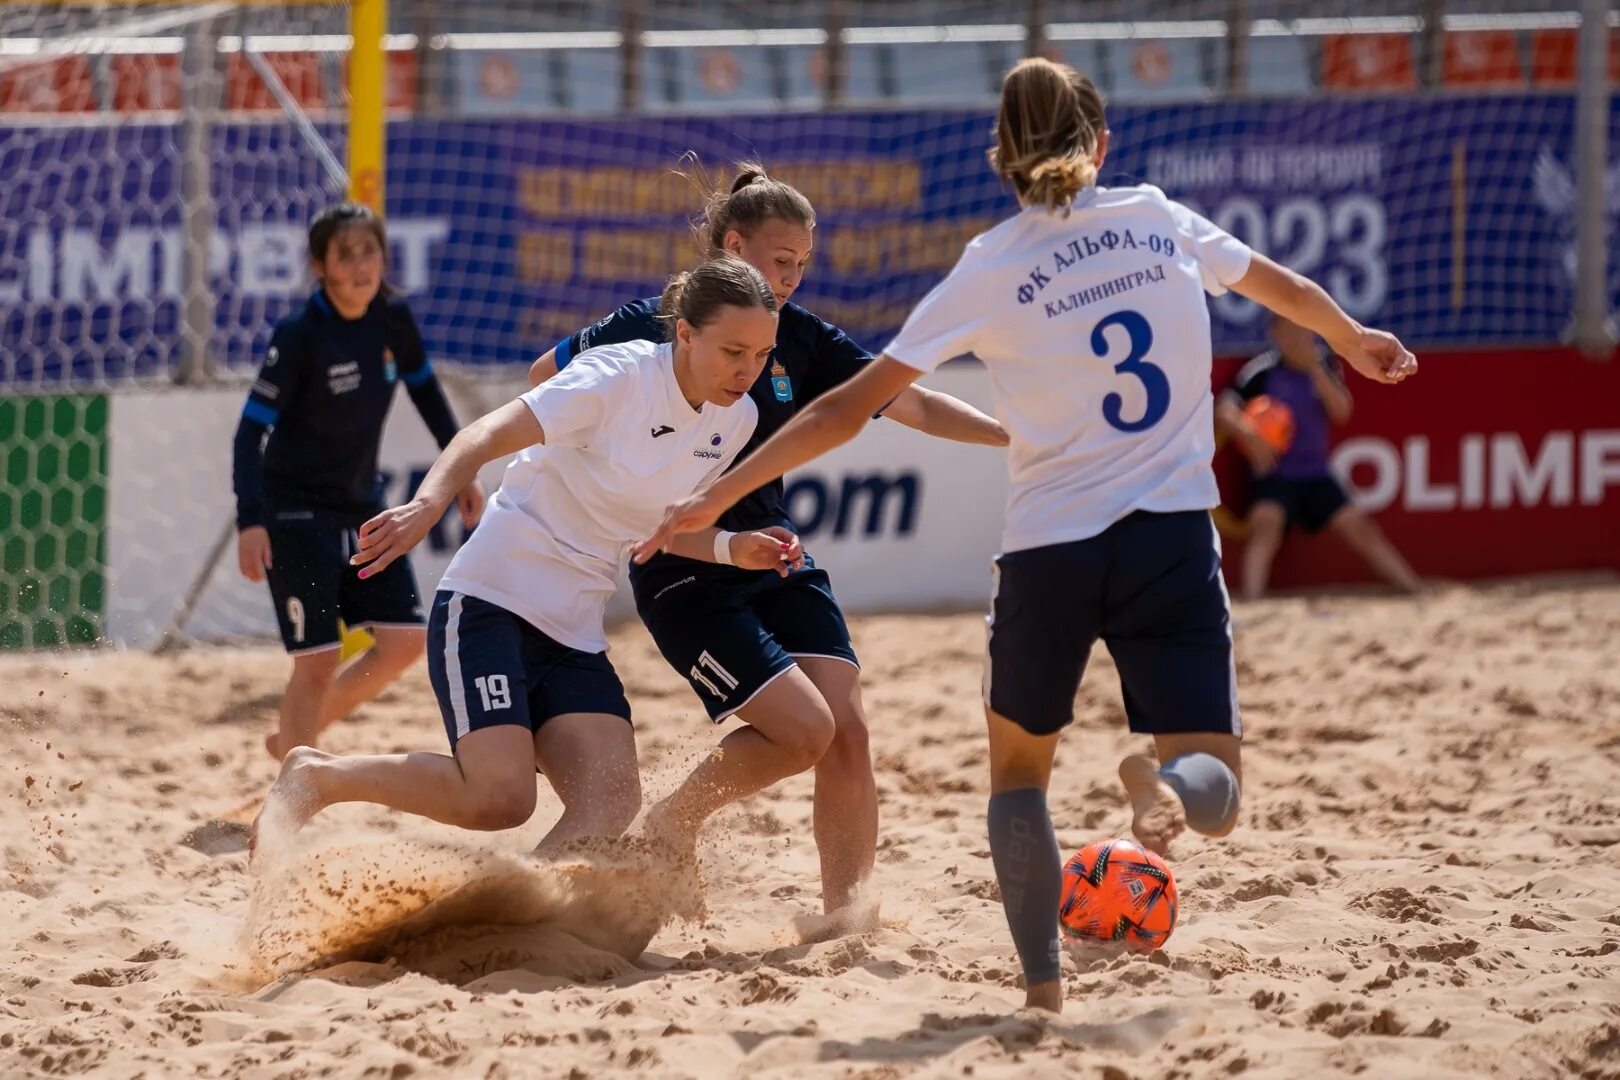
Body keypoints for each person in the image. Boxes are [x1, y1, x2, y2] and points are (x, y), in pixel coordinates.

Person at [634, 58, 1417, 1012]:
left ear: (1001, 155)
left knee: (1014, 785)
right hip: (1170, 539)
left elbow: (850, 410)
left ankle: (1040, 996)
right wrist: (1350, 336)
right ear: (1103, 146)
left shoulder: (993, 264)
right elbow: (1280, 286)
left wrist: (721, 495)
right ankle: (1155, 781)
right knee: (1215, 796)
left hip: (1051, 552)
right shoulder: (1161, 218)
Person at [528, 164, 1008, 928]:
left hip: (775, 557)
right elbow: (544, 376)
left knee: (847, 728)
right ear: (734, 244)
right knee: (802, 731)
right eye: (780, 261)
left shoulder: (805, 337)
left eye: (802, 265)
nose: (790, 278)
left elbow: (911, 401)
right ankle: (672, 820)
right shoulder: (657, 322)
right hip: (688, 569)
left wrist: (1018, 434)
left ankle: (842, 919)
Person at [253, 257, 804, 860]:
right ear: (686, 332)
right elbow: (485, 433)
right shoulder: (615, 378)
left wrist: (730, 547)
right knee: (500, 800)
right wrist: (428, 504)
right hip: (493, 603)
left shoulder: (739, 417)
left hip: (574, 633)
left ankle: (520, 921)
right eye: (733, 352)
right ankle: (318, 776)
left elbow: (650, 524)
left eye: (760, 354)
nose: (747, 371)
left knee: (610, 805)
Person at [232, 203, 486, 763]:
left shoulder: (392, 317)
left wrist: (462, 470)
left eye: (369, 250)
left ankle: (295, 736)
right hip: (296, 514)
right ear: (320, 266)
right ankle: (294, 784)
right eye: (344, 255)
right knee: (317, 661)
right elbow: (249, 434)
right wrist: (251, 520)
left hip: (363, 508)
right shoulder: (301, 334)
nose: (360, 264)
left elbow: (428, 396)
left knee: (402, 643)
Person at [1216, 314, 1424, 600]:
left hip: (1316, 474)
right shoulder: (1261, 371)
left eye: (1303, 332)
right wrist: (1249, 434)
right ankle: (1253, 601)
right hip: (1274, 474)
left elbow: (1342, 412)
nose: (1298, 340)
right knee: (1266, 524)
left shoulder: (1324, 365)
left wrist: (1313, 369)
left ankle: (1413, 590)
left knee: (1360, 527)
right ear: (1276, 334)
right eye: (1290, 333)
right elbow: (1225, 408)